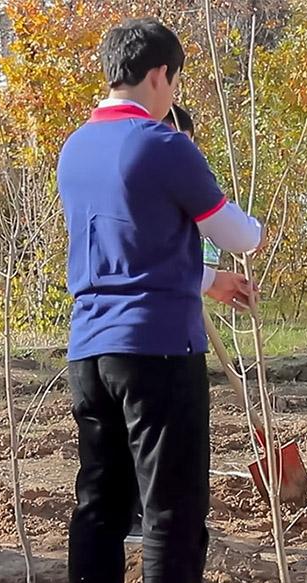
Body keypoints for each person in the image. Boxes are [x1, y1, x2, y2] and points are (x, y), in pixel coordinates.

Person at [56, 19, 261, 583]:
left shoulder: (75, 146)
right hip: (158, 349)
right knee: (172, 509)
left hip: (91, 348)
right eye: (174, 80)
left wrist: (202, 279)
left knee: (99, 504)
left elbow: (130, 247)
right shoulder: (162, 143)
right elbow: (237, 233)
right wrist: (245, 235)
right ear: (158, 76)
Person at [121, 101, 201, 547]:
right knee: (139, 428)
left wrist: (204, 280)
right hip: (143, 326)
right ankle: (138, 513)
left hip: (175, 315)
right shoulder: (139, 183)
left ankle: (148, 512)